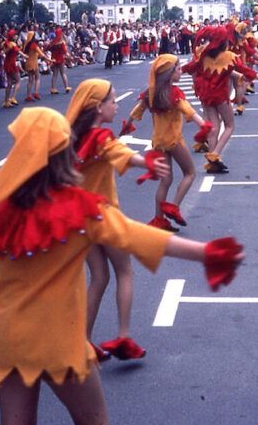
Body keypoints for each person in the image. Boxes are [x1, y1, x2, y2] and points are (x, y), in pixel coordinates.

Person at [0, 107, 244, 425]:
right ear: (64, 150)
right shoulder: (81, 209)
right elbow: (139, 237)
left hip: (10, 341)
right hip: (60, 341)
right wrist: (207, 253)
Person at [66, 79, 171, 362]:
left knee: (99, 278)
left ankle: (83, 343)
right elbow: (120, 153)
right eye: (112, 100)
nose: (116, 104)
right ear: (97, 107)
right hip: (104, 216)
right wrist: (146, 162)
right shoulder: (101, 138)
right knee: (125, 273)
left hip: (80, 219)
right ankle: (124, 337)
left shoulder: (73, 137)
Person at [125, 55, 214, 231]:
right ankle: (173, 206)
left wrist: (126, 127)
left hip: (158, 141)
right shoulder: (174, 93)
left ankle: (159, 219)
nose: (181, 71)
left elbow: (135, 112)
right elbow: (189, 111)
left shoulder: (150, 93)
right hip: (174, 140)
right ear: (169, 73)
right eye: (178, 69)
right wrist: (204, 125)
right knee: (190, 173)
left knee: (166, 180)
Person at [183, 27, 258, 174]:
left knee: (213, 127)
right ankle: (215, 154)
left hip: (207, 95)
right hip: (220, 96)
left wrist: (166, 74)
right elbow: (248, 71)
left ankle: (212, 161)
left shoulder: (204, 56)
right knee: (229, 126)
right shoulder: (230, 56)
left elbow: (189, 68)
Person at [1, 29, 25, 109]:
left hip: (6, 63)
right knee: (18, 80)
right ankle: (13, 97)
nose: (16, 36)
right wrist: (25, 56)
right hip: (12, 63)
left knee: (9, 83)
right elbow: (18, 52)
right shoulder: (12, 44)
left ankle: (6, 101)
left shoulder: (6, 43)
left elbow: (1, 50)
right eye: (15, 35)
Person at [22, 31, 46, 102]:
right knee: (37, 77)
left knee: (30, 80)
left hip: (28, 63)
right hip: (34, 63)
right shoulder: (34, 45)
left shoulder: (26, 44)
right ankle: (36, 93)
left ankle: (28, 95)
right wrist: (49, 60)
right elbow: (41, 54)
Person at [49, 28, 71, 94]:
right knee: (63, 73)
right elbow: (65, 51)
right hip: (60, 59)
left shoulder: (53, 42)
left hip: (54, 59)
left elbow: (48, 48)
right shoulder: (61, 43)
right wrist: (69, 56)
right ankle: (66, 87)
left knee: (55, 74)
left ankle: (53, 88)